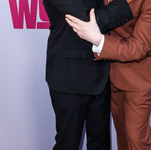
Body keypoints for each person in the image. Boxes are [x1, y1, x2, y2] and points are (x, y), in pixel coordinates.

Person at [65, 0, 151, 149]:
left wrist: (98, 40)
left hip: (141, 71)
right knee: (122, 132)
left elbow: (139, 47)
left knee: (136, 137)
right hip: (110, 65)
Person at [43, 0, 133, 149]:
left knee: (100, 143)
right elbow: (89, 21)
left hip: (100, 73)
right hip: (69, 78)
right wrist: (127, 3)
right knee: (68, 144)